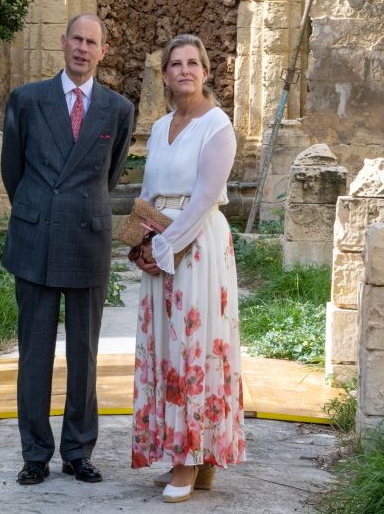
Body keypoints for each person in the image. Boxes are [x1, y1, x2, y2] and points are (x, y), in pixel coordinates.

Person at [1, 14, 134, 485]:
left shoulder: (118, 108)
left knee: (85, 353)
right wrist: (39, 211)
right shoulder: (27, 99)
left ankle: (78, 451)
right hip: (36, 236)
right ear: (62, 43)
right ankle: (35, 453)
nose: (82, 48)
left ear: (102, 52)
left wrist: (73, 205)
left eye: (91, 42)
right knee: (34, 353)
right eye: (76, 39)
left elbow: (110, 175)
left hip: (87, 237)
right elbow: (11, 171)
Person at [129, 34, 245, 503]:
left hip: (195, 246)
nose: (185, 70)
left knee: (193, 347)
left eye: (193, 62)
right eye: (175, 64)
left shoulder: (217, 125)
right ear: (165, 75)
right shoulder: (159, 128)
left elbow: (202, 200)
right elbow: (149, 191)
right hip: (161, 240)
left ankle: (190, 461)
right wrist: (143, 242)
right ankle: (196, 459)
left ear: (206, 70)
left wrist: (165, 247)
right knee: (166, 349)